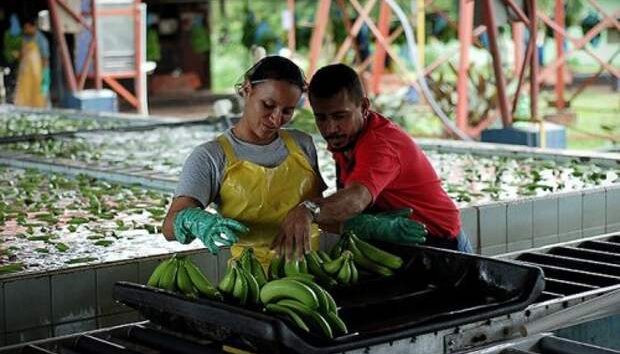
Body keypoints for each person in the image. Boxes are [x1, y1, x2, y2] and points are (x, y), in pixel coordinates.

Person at [273, 63, 473, 260]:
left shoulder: (380, 145)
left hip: (442, 246)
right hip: (401, 248)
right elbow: (344, 207)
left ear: (364, 107)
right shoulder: (346, 140)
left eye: (340, 116)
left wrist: (308, 210)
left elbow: (355, 199)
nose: (330, 128)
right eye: (321, 118)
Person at [162, 56, 326, 267]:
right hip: (249, 280)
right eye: (268, 105)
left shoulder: (303, 144)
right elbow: (168, 226)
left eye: (287, 111)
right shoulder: (210, 156)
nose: (276, 119)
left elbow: (321, 209)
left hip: (310, 272)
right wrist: (193, 221)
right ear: (247, 89)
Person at [14, 16, 50, 108]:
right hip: (25, 73)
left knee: (39, 96)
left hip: (38, 73)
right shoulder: (24, 38)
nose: (25, 30)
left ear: (32, 27)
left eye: (27, 28)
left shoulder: (41, 40)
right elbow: (21, 55)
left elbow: (45, 58)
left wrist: (45, 74)